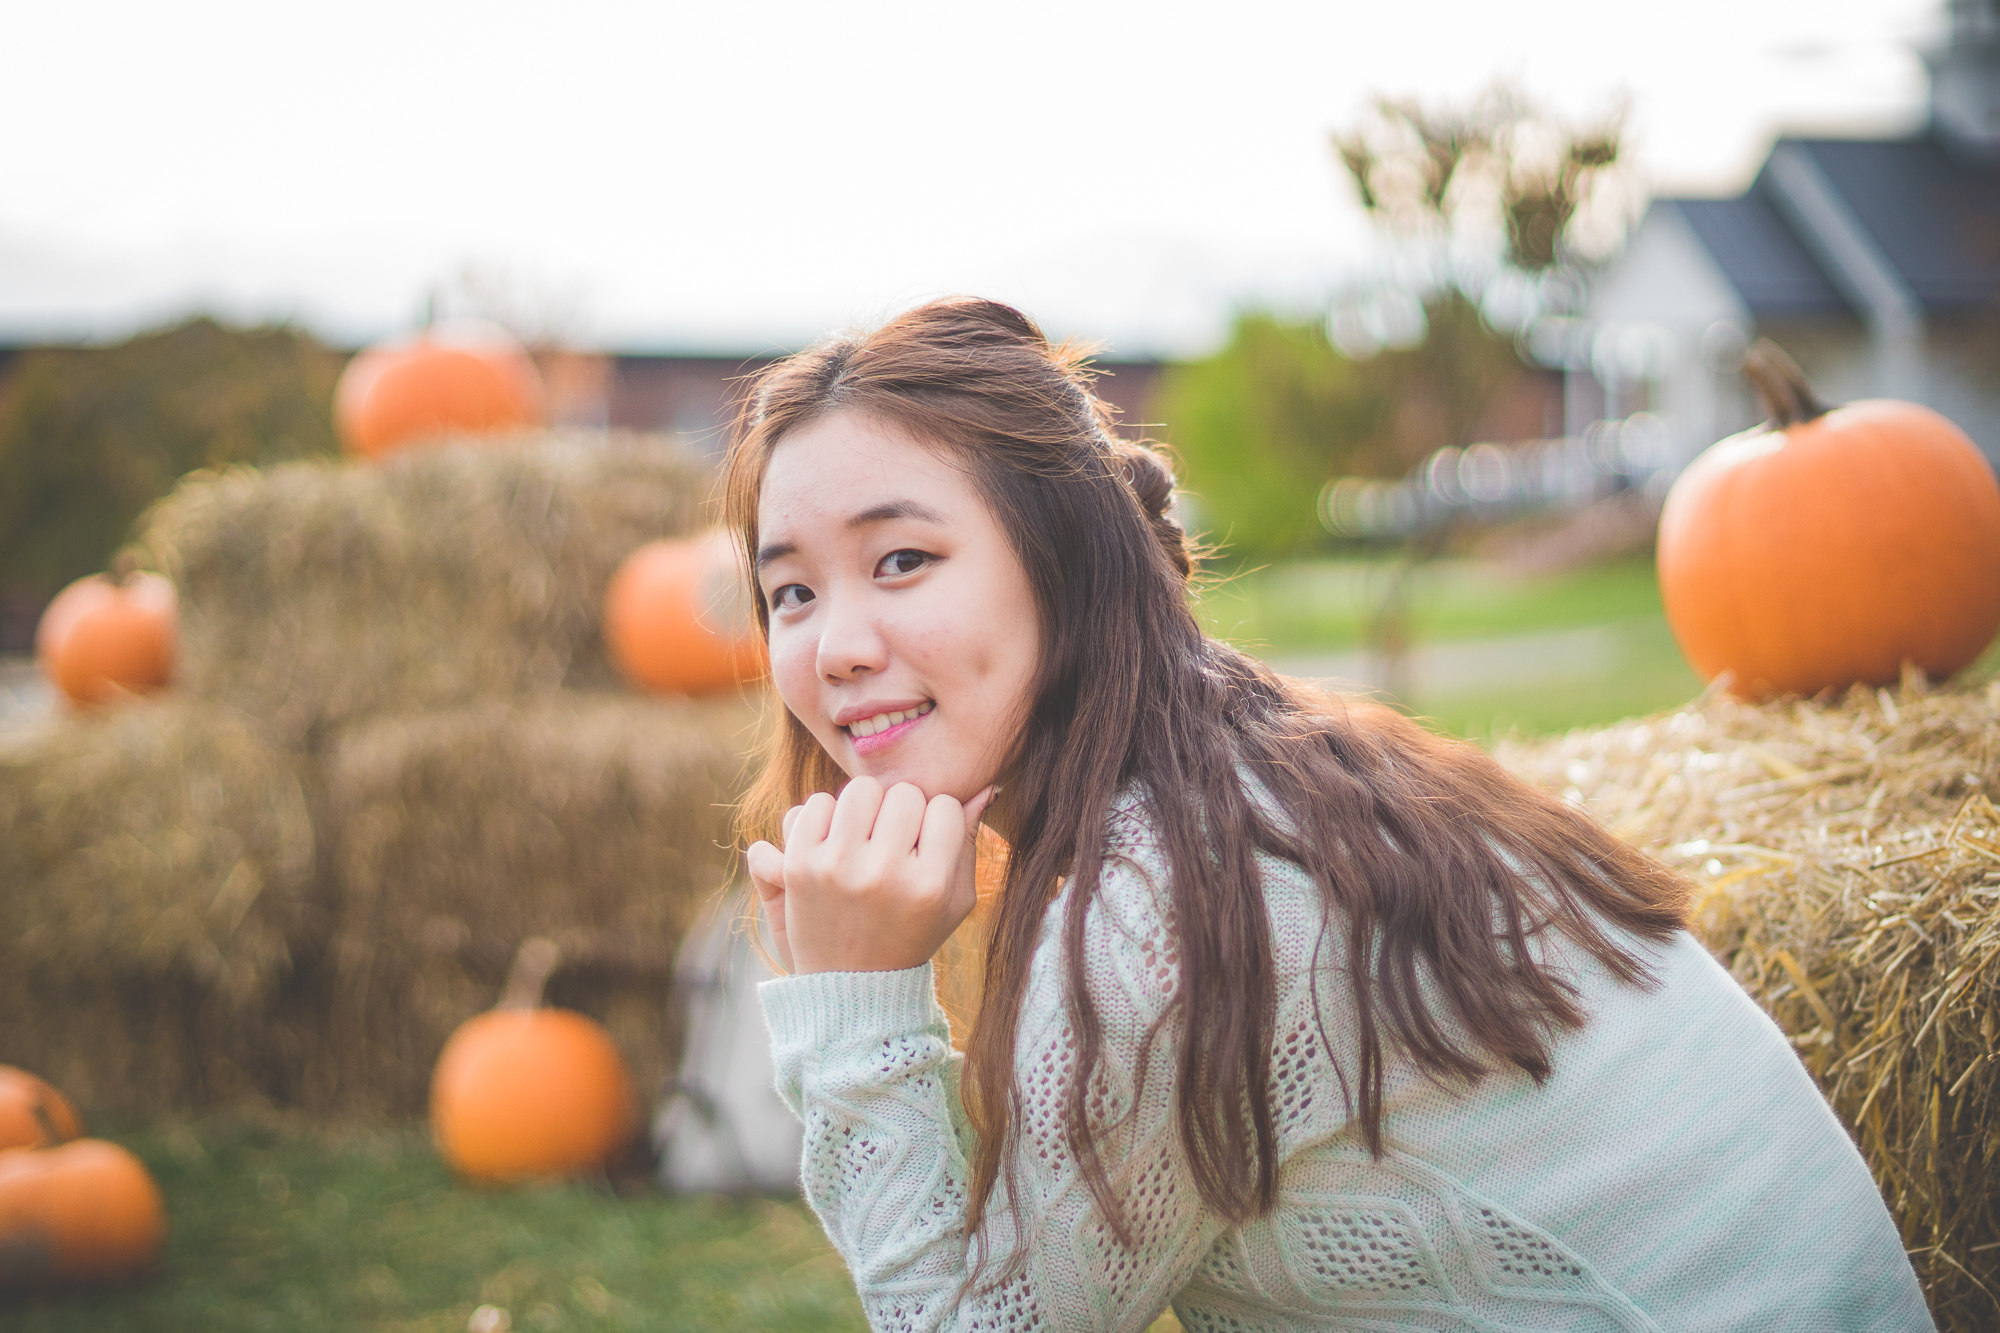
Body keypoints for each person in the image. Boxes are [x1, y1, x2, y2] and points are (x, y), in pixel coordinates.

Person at [729, 297, 1932, 1332]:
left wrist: (853, 1015)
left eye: (900, 562)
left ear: (1069, 559)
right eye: (790, 590)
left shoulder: (1168, 897)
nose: (833, 647)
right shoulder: (1244, 765)